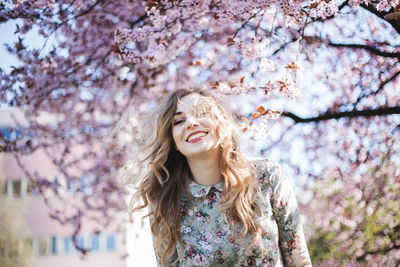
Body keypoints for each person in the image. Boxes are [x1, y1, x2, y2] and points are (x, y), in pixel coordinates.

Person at [127, 88, 312, 266]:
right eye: (178, 121)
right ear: (174, 141)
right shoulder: (165, 199)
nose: (191, 122)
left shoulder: (267, 176)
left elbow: (298, 260)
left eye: (201, 113)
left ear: (220, 122)